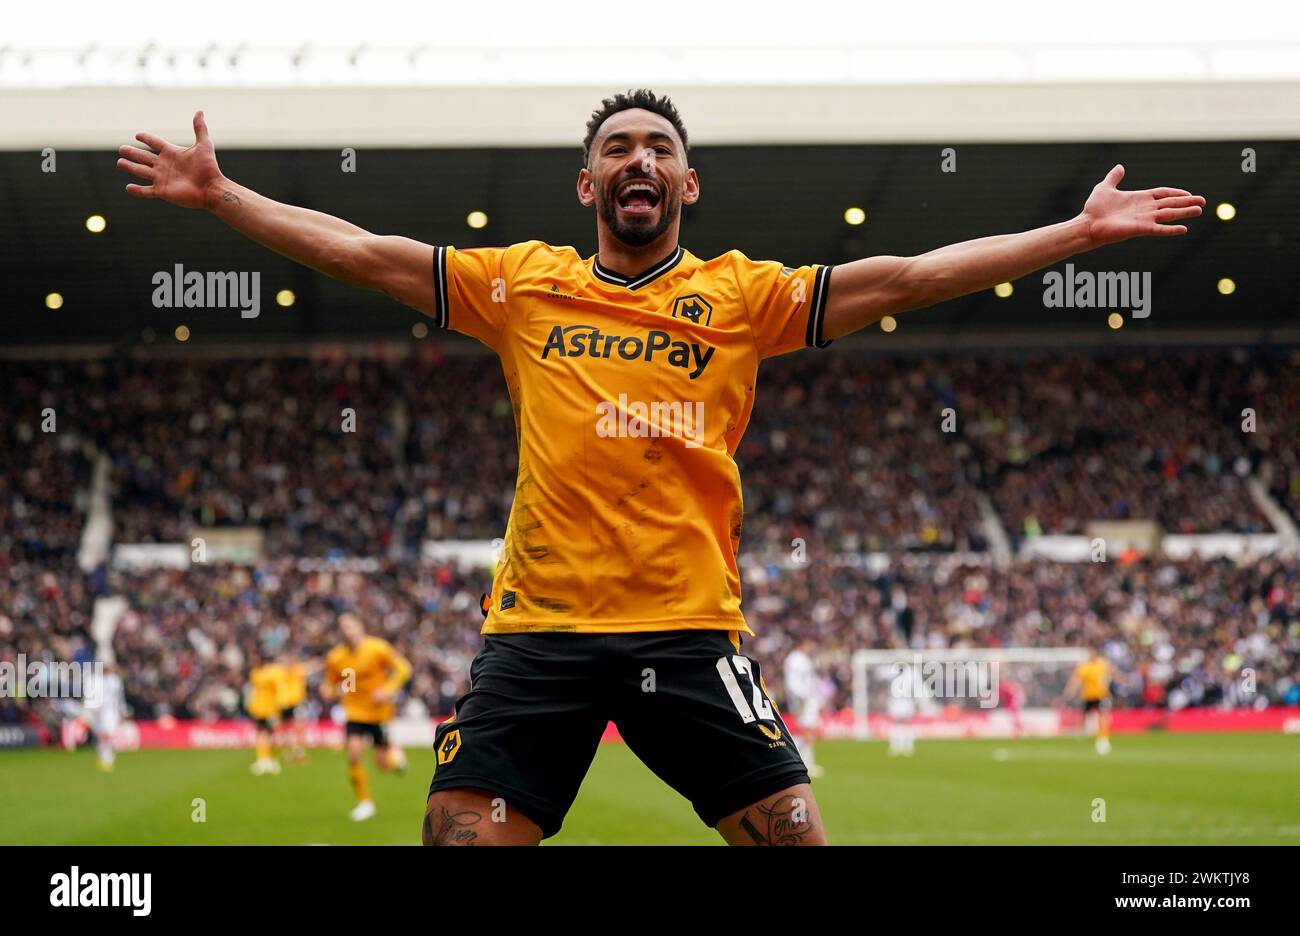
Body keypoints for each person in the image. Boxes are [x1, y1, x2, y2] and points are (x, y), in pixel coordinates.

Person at [117, 89, 1201, 844]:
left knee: (791, 837)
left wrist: (1071, 235)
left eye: (659, 149)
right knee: (455, 836)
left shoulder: (744, 296)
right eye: (619, 148)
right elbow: (356, 251)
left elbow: (910, 276)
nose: (639, 160)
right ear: (585, 182)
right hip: (536, 635)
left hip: (688, 633)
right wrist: (223, 199)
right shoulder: (519, 284)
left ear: (690, 181)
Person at [321, 612, 412, 822]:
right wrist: (329, 690)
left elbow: (404, 669)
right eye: (343, 627)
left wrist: (389, 689)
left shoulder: (377, 648)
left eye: (350, 626)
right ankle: (365, 803)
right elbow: (331, 683)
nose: (347, 631)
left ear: (360, 626)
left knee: (383, 764)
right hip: (354, 712)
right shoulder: (336, 657)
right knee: (353, 754)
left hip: (379, 713)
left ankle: (395, 755)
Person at [1065, 645, 1113, 755]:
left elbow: (1112, 673)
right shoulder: (1084, 666)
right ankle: (1083, 732)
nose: (1091, 655)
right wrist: (1070, 691)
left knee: (1103, 716)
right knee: (1085, 716)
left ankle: (1103, 738)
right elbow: (1076, 679)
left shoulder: (1103, 664)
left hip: (1102, 695)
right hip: (1088, 696)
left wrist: (1122, 679)